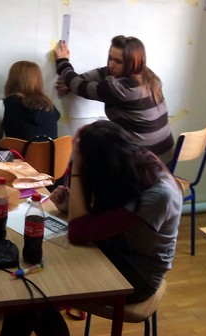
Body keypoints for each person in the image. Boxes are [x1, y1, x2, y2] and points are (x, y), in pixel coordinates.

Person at [51, 120, 182, 304]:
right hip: (118, 247)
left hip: (139, 274)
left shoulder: (158, 194)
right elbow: (104, 214)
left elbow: (77, 233)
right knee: (49, 267)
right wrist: (71, 206)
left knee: (53, 278)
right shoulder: (128, 161)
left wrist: (78, 167)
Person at [54, 35, 174, 164]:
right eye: (110, 58)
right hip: (166, 157)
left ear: (131, 63)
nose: (111, 65)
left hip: (145, 164)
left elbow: (81, 88)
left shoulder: (122, 89)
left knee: (87, 155)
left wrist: (63, 62)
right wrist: (73, 81)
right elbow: (103, 72)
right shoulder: (147, 75)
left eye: (118, 61)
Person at [0, 61, 60, 146]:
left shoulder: (3, 106)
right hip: (50, 155)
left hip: (19, 155)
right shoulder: (50, 107)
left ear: (11, 81)